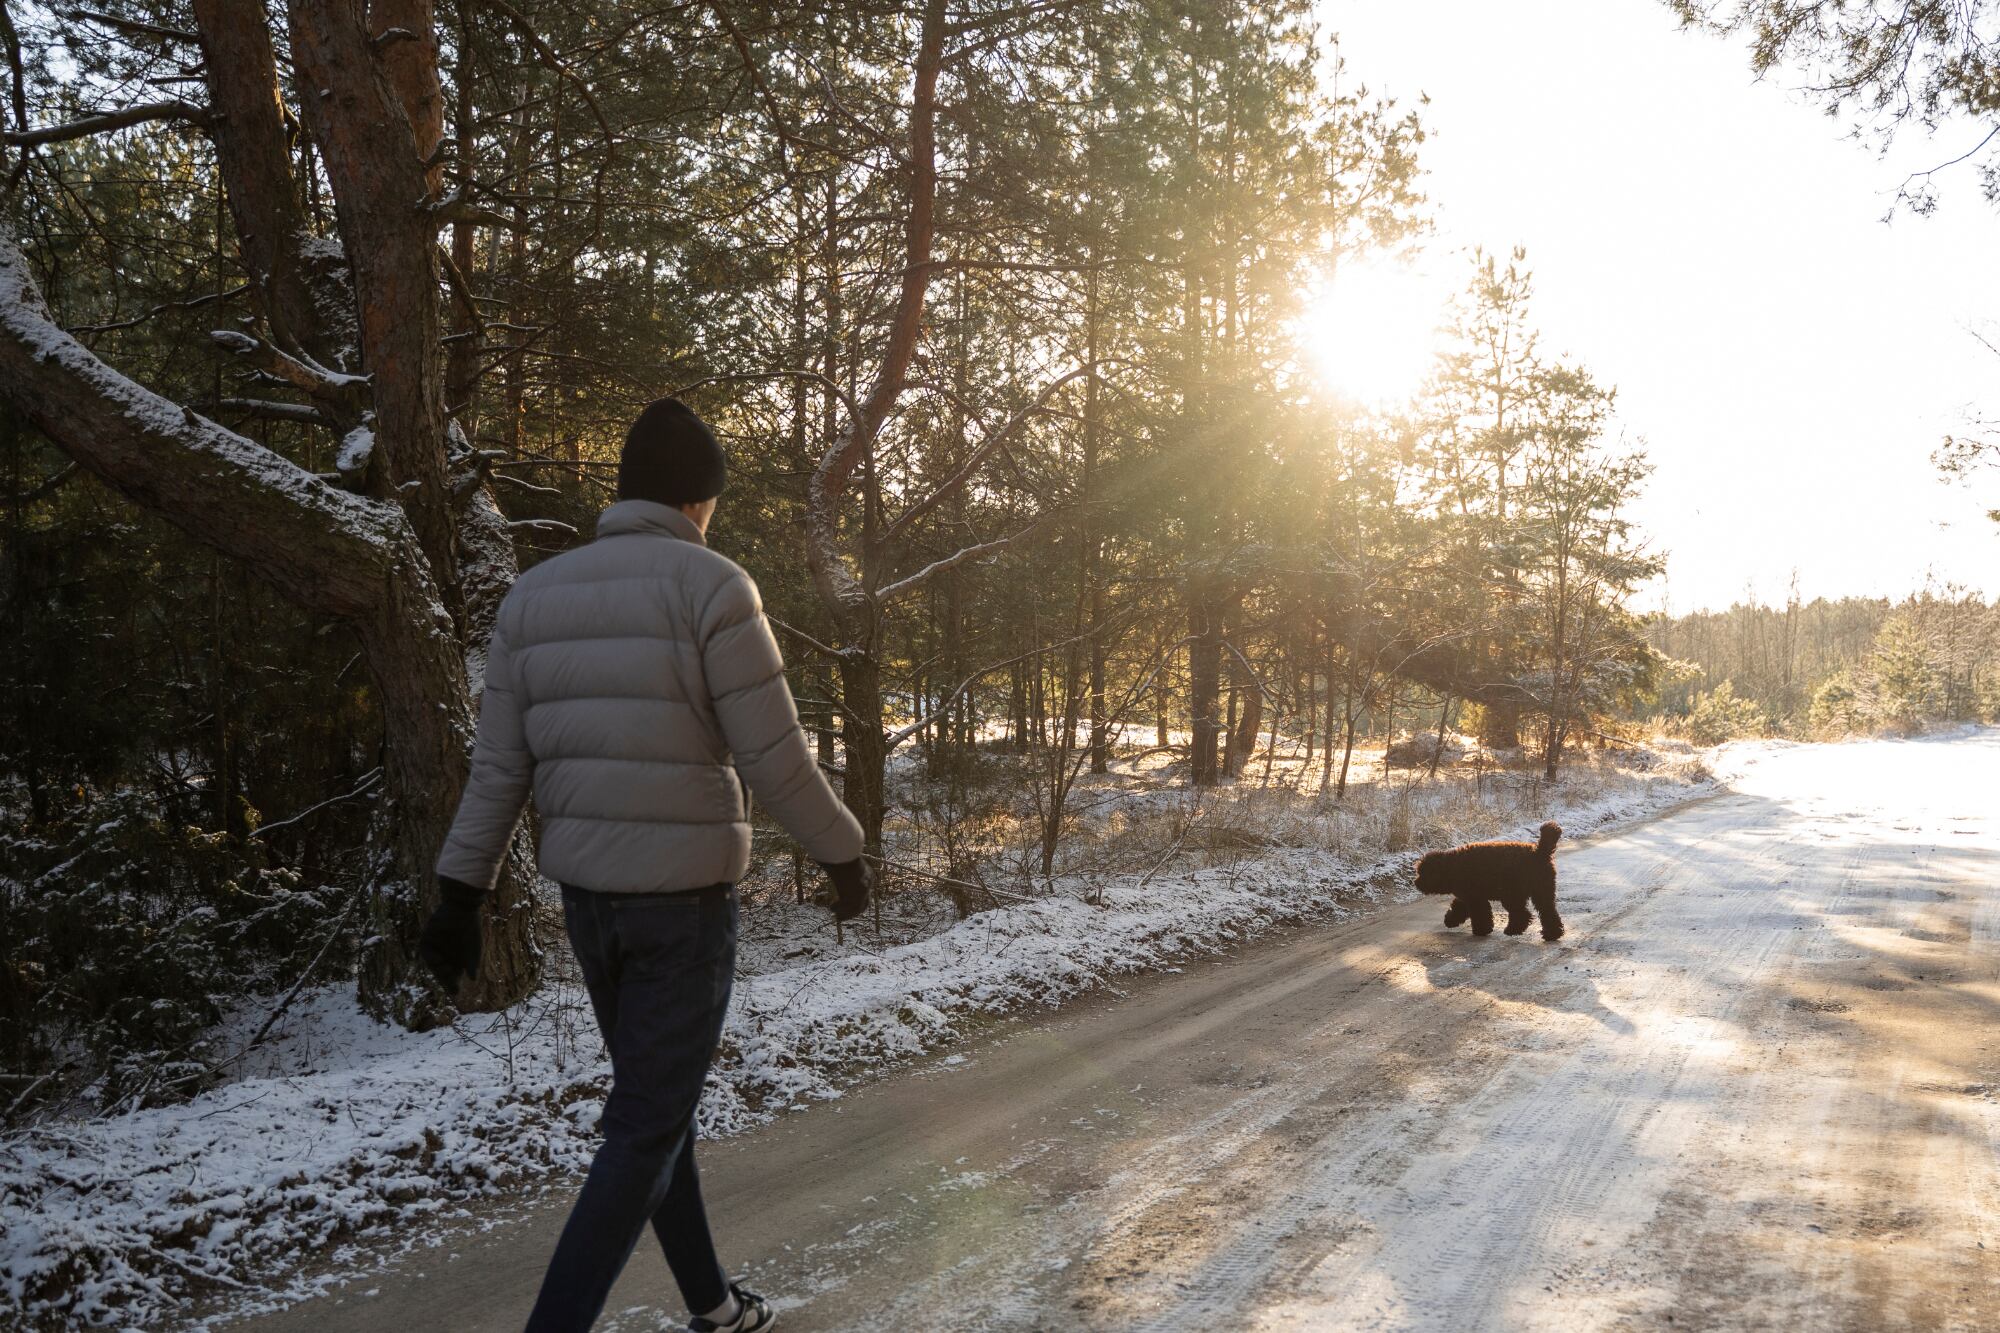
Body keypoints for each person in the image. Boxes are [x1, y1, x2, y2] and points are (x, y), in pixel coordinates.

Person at [417, 397, 872, 1333]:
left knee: (656, 1113)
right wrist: (844, 853)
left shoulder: (532, 598)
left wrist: (458, 891)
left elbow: (498, 770)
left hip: (591, 904)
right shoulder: (713, 586)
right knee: (645, 1127)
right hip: (686, 909)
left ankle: (710, 1302)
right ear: (699, 501)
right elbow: (774, 756)